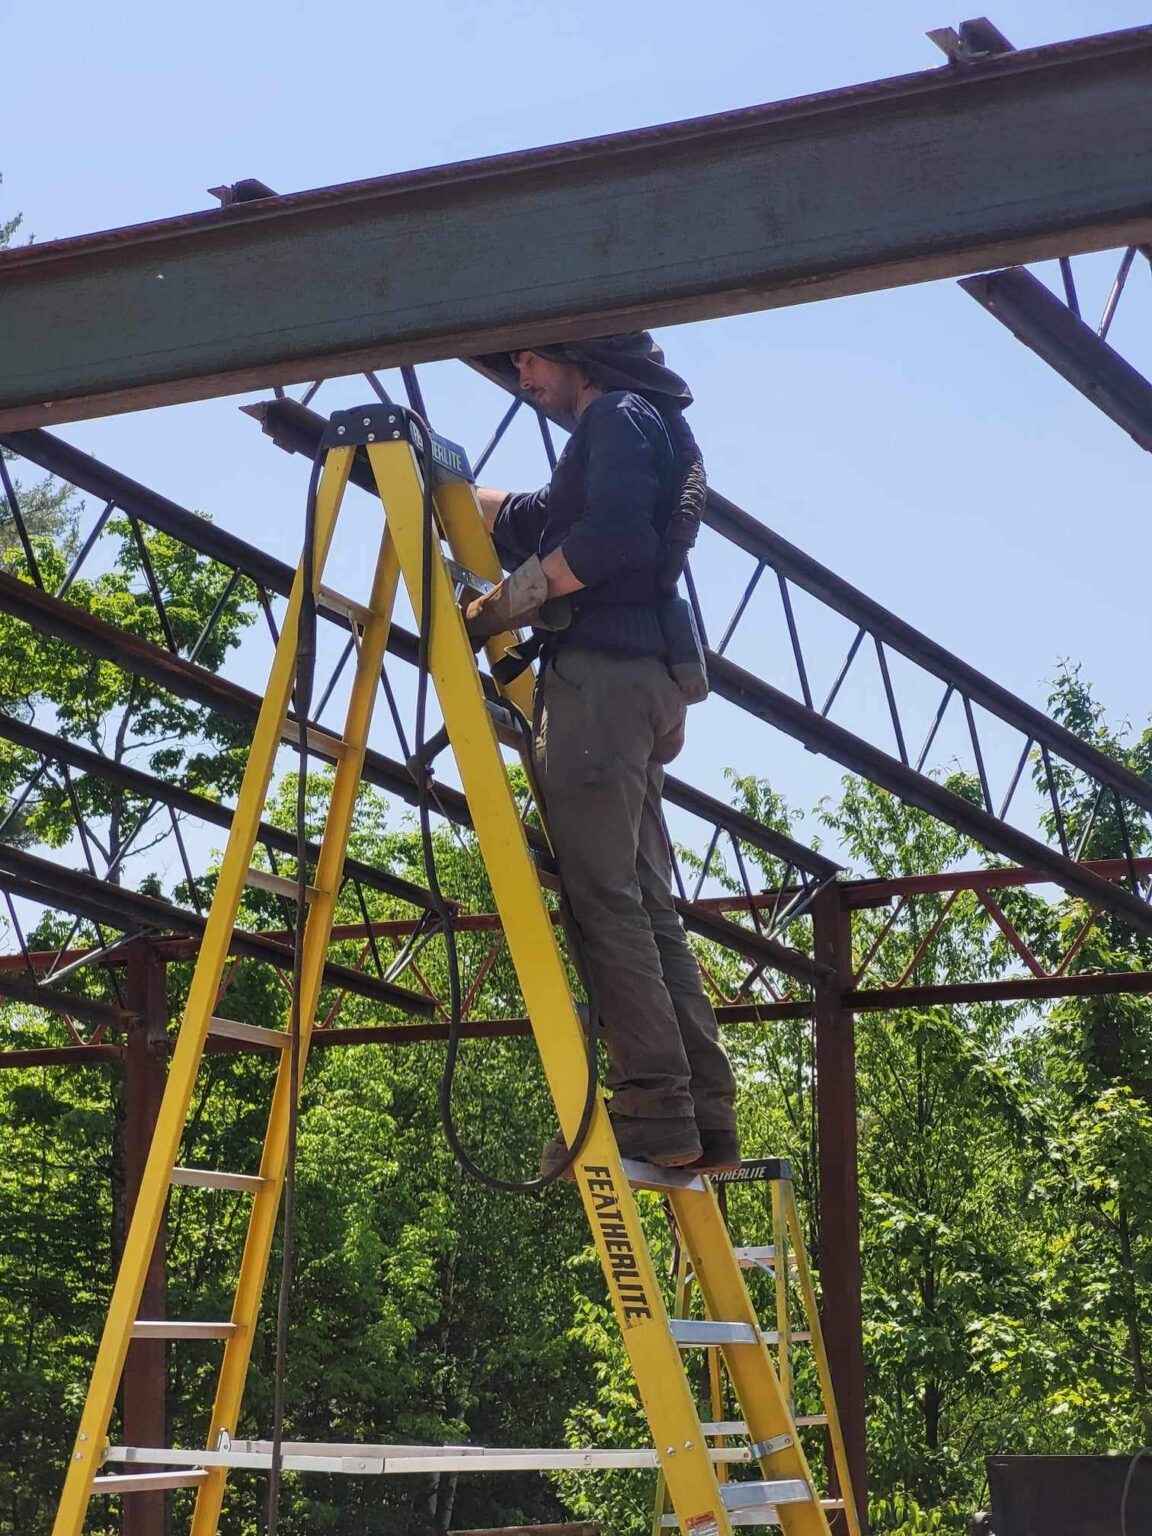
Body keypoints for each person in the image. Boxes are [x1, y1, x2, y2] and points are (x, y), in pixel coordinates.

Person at [464, 333, 741, 1176]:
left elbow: (610, 536)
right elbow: (538, 521)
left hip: (602, 686)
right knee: (645, 903)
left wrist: (508, 603)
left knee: (602, 903)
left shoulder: (617, 415)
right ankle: (701, 1110)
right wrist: (433, 484)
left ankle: (653, 1110)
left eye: (533, 359)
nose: (522, 374)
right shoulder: (637, 425)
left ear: (582, 354)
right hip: (641, 685)